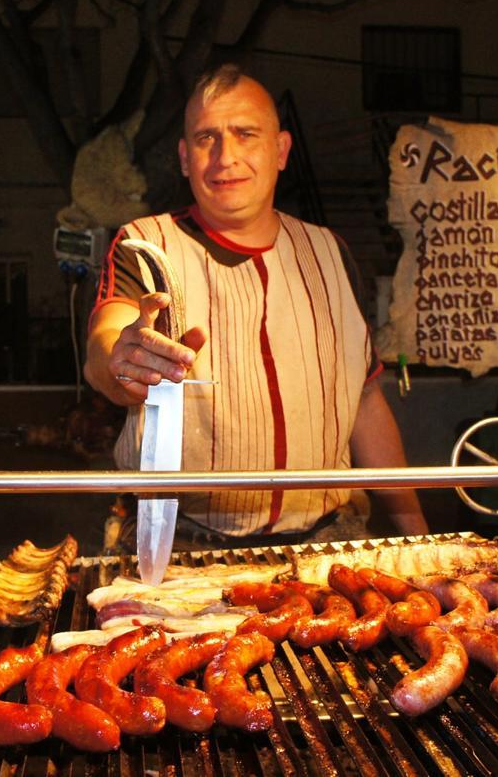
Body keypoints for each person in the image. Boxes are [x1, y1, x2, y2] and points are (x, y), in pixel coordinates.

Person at [85, 64, 427, 546]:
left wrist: (420, 534)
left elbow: (365, 402)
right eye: (207, 138)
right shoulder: (145, 244)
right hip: (184, 542)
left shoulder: (331, 252)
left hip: (330, 542)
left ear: (281, 150)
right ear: (185, 158)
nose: (225, 157)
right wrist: (122, 361)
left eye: (246, 134)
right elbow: (106, 345)